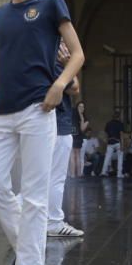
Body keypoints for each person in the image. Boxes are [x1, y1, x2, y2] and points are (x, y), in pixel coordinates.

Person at [0, 0, 85, 265]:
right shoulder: (0, 16)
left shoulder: (51, 4)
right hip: (3, 111)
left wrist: (59, 84)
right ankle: (30, 250)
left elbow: (77, 53)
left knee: (35, 193)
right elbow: (8, 59)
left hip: (38, 110)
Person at [48, 68, 84, 238]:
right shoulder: (55, 58)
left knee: (40, 177)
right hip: (59, 124)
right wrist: (68, 65)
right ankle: (53, 222)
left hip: (41, 123)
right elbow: (75, 87)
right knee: (55, 178)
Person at [100, 110, 126, 177]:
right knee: (120, 158)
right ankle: (119, 173)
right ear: (119, 116)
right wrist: (122, 144)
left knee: (107, 158)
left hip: (110, 142)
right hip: (118, 142)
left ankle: (103, 172)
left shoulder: (108, 123)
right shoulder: (120, 124)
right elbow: (121, 134)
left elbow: (106, 134)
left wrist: (106, 141)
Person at [69, 100, 89, 177]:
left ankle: (78, 174)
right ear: (76, 107)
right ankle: (73, 174)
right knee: (73, 155)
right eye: (80, 106)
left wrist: (81, 117)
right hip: (72, 136)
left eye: (83, 107)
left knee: (77, 155)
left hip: (78, 137)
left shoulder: (85, 119)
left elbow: (82, 129)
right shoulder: (73, 114)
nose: (81, 108)